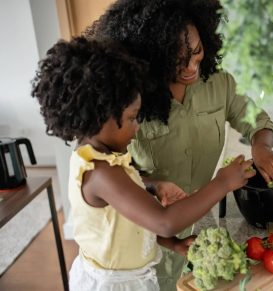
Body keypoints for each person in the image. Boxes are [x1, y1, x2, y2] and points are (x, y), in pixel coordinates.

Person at [85, 0, 273, 289]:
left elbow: (258, 121)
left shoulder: (220, 83)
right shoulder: (128, 101)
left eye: (196, 53)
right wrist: (156, 183)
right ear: (151, 58)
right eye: (177, 61)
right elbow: (117, 172)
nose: (192, 67)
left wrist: (261, 147)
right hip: (140, 233)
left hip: (190, 233)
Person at [31, 36, 255, 291]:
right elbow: (164, 221)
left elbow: (129, 220)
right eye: (132, 118)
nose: (137, 128)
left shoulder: (97, 157)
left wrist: (171, 241)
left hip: (129, 276)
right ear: (99, 119)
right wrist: (222, 183)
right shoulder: (101, 172)